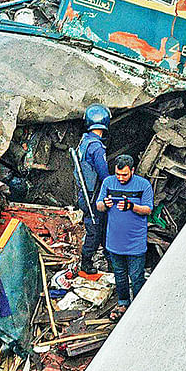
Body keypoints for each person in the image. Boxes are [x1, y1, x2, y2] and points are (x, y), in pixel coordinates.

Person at [95, 154, 153, 321]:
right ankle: (123, 302)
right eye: (118, 174)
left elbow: (148, 209)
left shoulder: (143, 185)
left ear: (132, 171)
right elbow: (99, 205)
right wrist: (104, 204)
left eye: (124, 175)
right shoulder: (108, 182)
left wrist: (132, 206)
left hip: (135, 241)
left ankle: (139, 306)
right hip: (114, 240)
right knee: (119, 274)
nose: (120, 178)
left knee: (136, 276)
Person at [74, 104, 110, 276]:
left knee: (101, 228)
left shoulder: (85, 141)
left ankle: (110, 260)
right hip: (94, 196)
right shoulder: (96, 147)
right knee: (95, 230)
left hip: (85, 193)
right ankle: (86, 263)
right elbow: (104, 175)